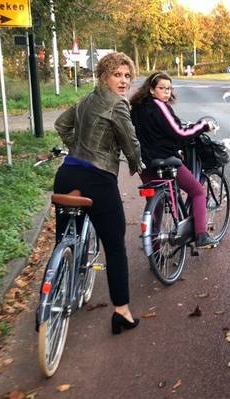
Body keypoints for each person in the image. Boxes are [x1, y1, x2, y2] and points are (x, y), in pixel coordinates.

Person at [54, 52, 143, 335]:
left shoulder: (85, 100)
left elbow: (61, 125)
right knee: (115, 245)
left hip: (67, 173)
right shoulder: (118, 105)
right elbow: (130, 142)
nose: (124, 81)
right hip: (98, 179)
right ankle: (122, 312)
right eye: (118, 74)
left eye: (128, 76)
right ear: (104, 76)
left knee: (65, 238)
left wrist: (77, 148)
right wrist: (137, 164)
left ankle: (60, 290)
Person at [129, 71, 218, 248]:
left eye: (169, 88)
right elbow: (180, 133)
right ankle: (201, 235)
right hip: (165, 159)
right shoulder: (159, 106)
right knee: (197, 191)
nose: (167, 92)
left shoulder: (137, 108)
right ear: (152, 90)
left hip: (145, 162)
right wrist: (202, 126)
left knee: (156, 200)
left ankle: (153, 245)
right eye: (162, 88)